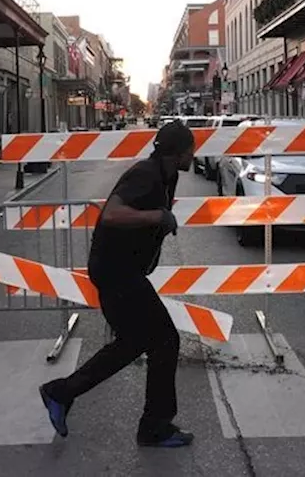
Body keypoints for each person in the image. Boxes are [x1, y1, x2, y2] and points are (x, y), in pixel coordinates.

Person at [38, 120, 196, 448]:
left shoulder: (168, 176)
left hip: (125, 271)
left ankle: (63, 392)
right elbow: (111, 214)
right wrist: (156, 218)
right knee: (164, 340)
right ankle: (154, 427)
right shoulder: (147, 174)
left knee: (136, 342)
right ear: (176, 152)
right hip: (115, 272)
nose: (193, 155)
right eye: (190, 149)